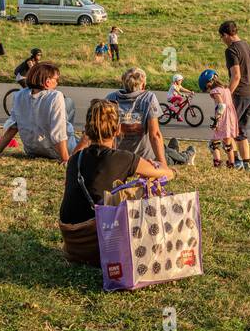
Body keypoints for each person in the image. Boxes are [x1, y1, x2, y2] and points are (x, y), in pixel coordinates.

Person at [58, 99, 175, 265]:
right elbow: (165, 174)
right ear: (118, 130)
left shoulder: (75, 158)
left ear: (87, 130)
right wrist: (170, 171)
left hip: (72, 242)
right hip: (100, 243)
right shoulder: (122, 158)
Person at [107, 66, 195, 166]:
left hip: (119, 157)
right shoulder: (147, 97)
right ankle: (186, 156)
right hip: (145, 159)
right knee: (166, 155)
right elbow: (155, 135)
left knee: (164, 148)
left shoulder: (110, 98)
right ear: (143, 85)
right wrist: (163, 166)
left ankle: (172, 149)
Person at [0, 62, 74, 162]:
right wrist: (65, 159)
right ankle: (71, 135)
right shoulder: (56, 96)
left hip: (31, 150)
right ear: (48, 82)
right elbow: (58, 133)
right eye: (57, 80)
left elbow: (13, 127)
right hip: (55, 151)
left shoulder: (18, 95)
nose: (57, 83)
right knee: (69, 103)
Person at [220, 20, 250, 172]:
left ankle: (235, 161)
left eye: (222, 38)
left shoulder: (231, 50)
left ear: (226, 35)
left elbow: (236, 76)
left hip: (239, 94)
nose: (222, 41)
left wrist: (226, 95)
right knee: (241, 131)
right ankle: (247, 165)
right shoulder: (248, 46)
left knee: (228, 129)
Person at [198, 68, 240, 168]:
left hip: (223, 117)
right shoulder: (226, 89)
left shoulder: (215, 91)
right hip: (231, 117)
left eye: (206, 87)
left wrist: (216, 120)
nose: (208, 90)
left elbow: (221, 105)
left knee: (214, 143)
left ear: (208, 83)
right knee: (227, 144)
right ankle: (231, 164)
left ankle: (217, 164)